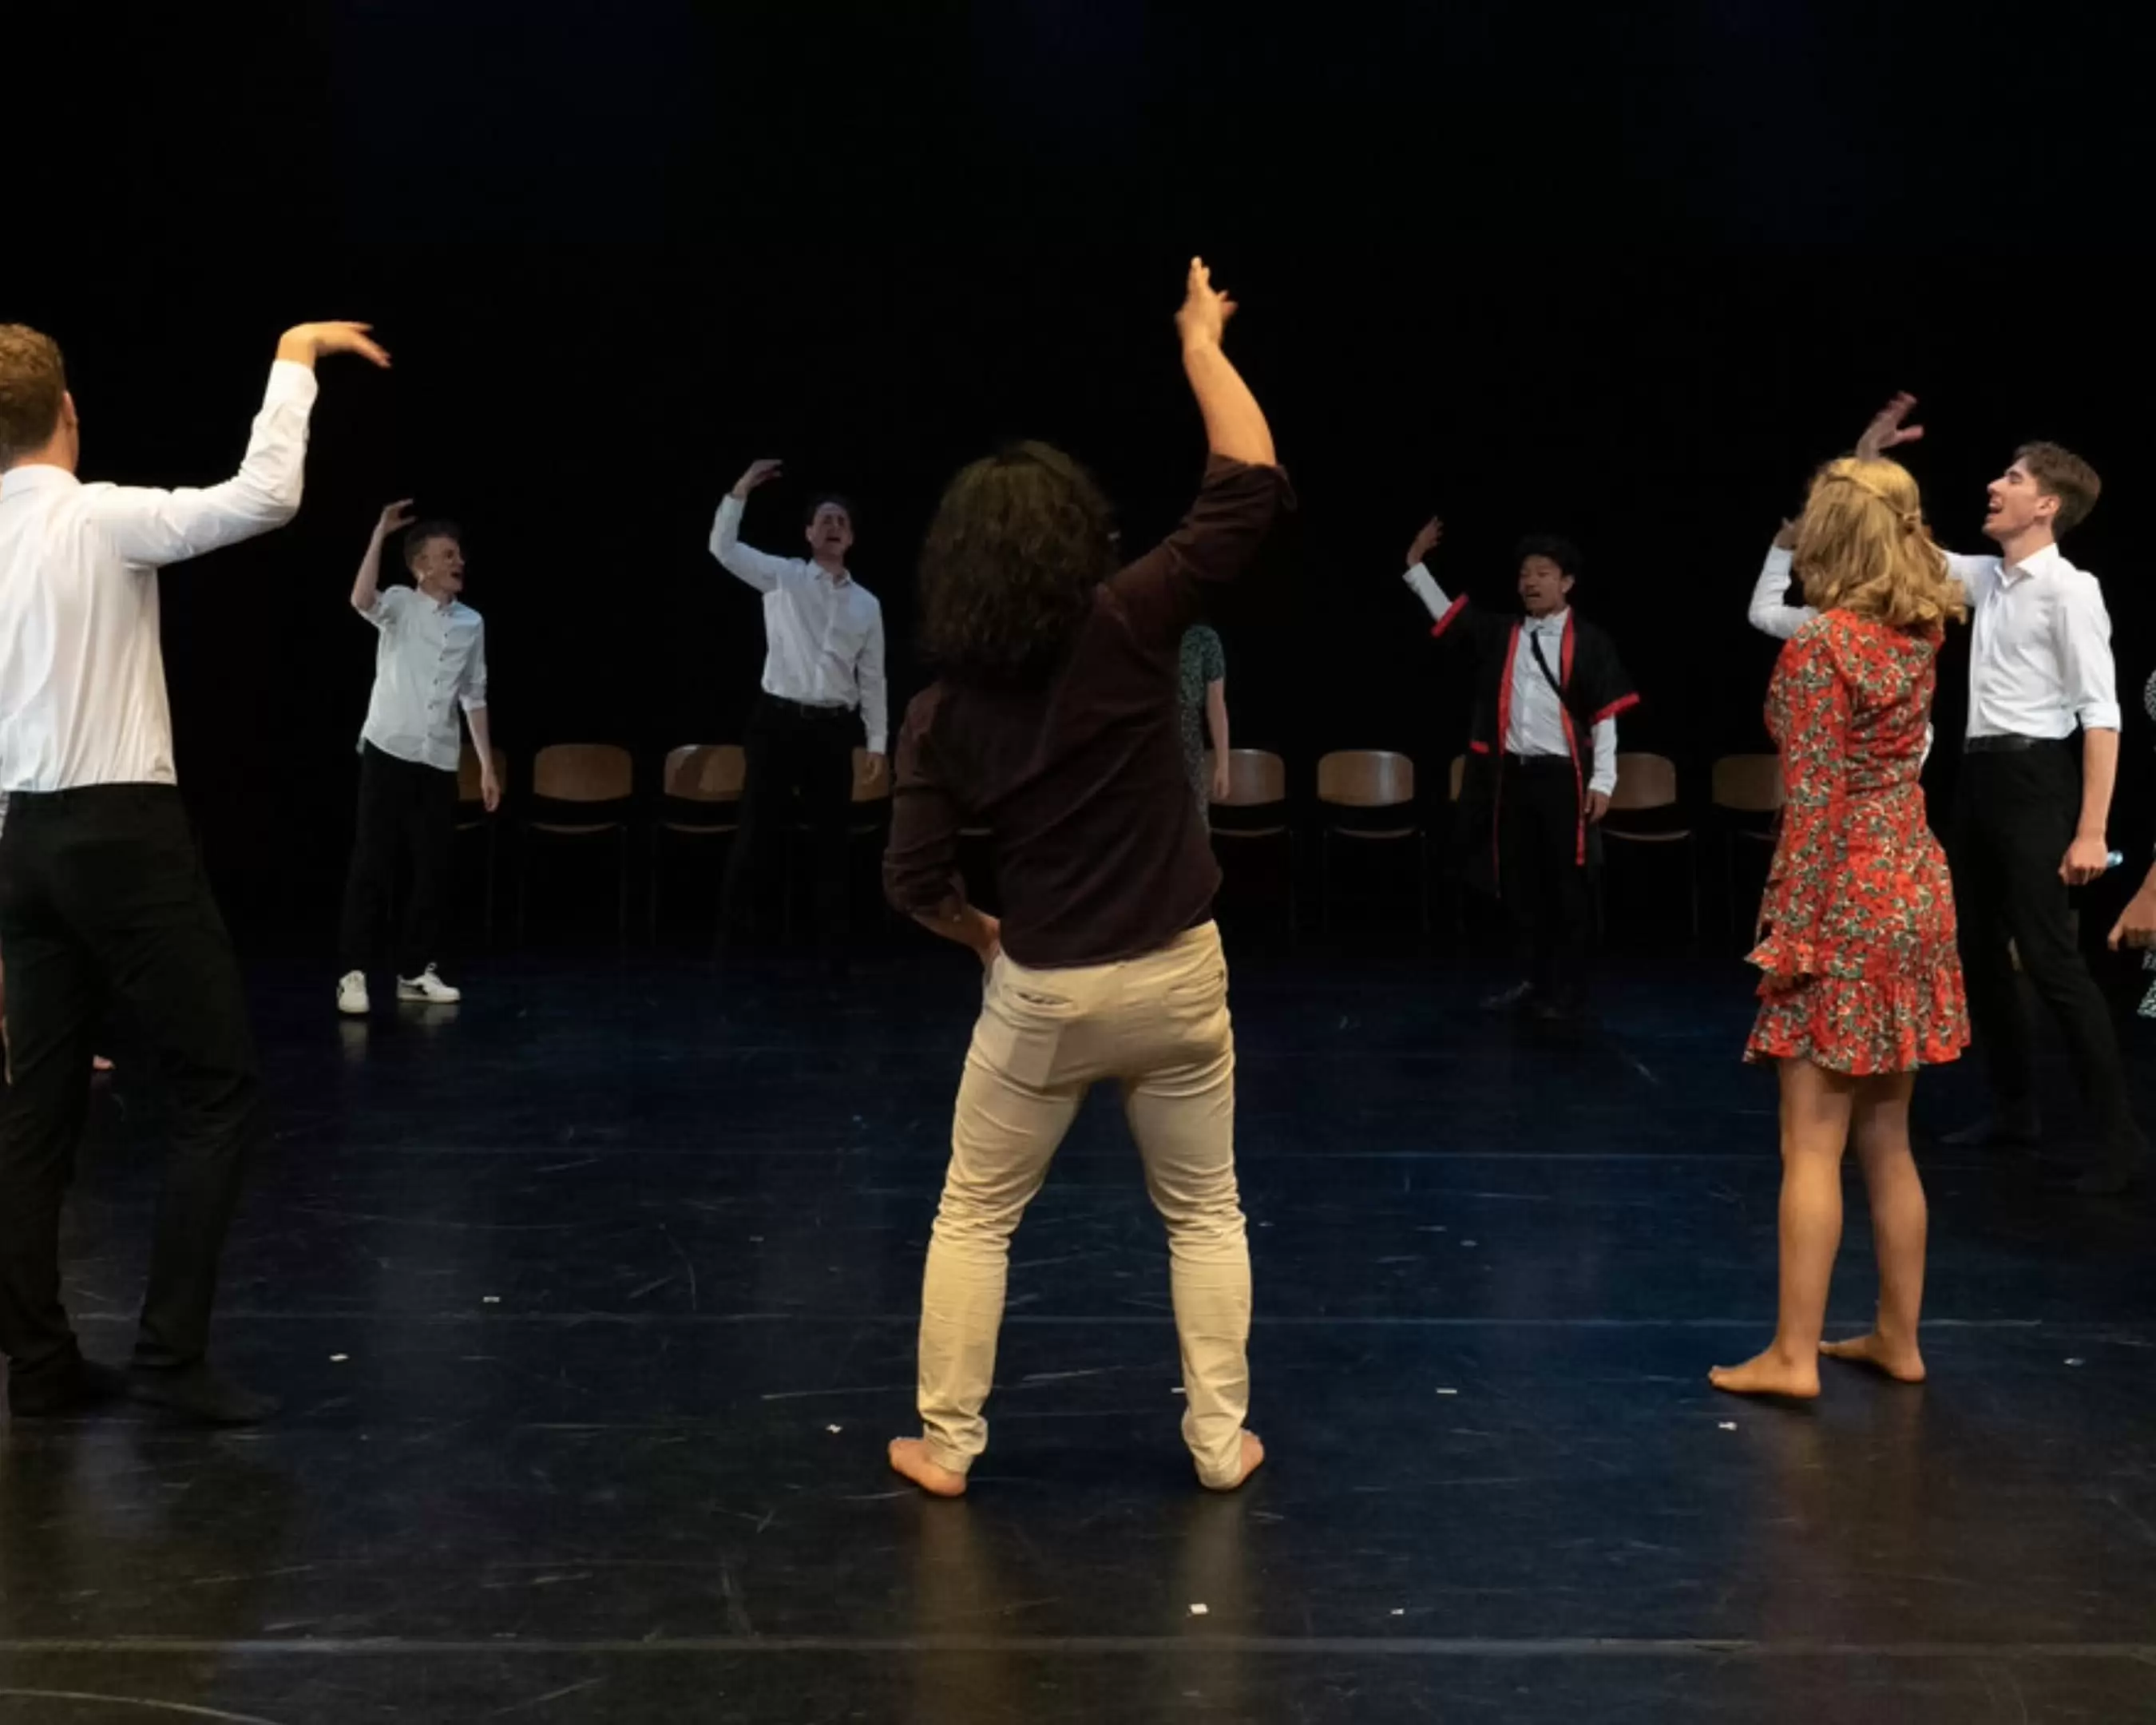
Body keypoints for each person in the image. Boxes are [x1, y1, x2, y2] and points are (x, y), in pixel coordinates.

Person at [880, 258, 1290, 1497]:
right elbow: (1248, 489)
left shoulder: (942, 715)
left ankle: (948, 1445)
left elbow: (911, 878)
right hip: (1177, 979)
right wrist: (1202, 345)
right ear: (1077, 539)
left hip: (1045, 996)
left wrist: (975, 931)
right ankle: (1220, 1445)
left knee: (974, 1216)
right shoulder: (1127, 624)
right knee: (1206, 1213)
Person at [0, 318, 390, 1423]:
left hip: (18, 842)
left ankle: (36, 1365)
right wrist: (292, 356)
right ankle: (169, 1358)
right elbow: (265, 495)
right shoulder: (99, 516)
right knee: (219, 1089)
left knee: (34, 1113)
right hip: (121, 834)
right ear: (67, 414)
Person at [1759, 395, 2142, 1195]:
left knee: (2050, 958)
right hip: (1977, 777)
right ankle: (2015, 1106)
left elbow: (2101, 715)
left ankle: (2120, 1139)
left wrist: (2089, 829)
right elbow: (1886, 529)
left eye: (2013, 477)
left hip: (2039, 777)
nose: (1995, 487)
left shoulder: (2070, 590)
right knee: (1976, 950)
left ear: (2048, 504)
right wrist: (1866, 448)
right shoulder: (1982, 577)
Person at [1710, 455, 1969, 1401]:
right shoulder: (1920, 631)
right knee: (1890, 1138)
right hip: (1912, 878)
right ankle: (1898, 1339)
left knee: (1810, 1144)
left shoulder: (1821, 651)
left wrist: (1792, 933)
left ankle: (1792, 1355)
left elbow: (1813, 805)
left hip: (1847, 891)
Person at [1399, 521, 1638, 1020]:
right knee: (1521, 884)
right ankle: (1532, 981)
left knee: (1567, 887)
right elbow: (1448, 617)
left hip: (1563, 782)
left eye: (1543, 573)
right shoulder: (1501, 633)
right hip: (1512, 779)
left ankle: (1569, 991)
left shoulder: (1590, 642)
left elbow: (1606, 715)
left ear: (1566, 582)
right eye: (1525, 574)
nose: (1530, 582)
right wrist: (1415, 566)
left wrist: (1604, 782)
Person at [708, 467, 888, 962]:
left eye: (841, 521)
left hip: (832, 730)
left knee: (832, 841)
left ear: (850, 538)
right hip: (777, 723)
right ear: (809, 533)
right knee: (756, 832)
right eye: (824, 519)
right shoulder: (783, 576)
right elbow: (723, 549)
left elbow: (873, 678)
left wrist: (876, 742)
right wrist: (740, 490)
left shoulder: (867, 605)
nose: (832, 525)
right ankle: (733, 946)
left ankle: (832, 951)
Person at [335, 502, 497, 1016]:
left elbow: (474, 694)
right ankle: (353, 973)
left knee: (432, 868)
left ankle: (414, 971)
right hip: (390, 749)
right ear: (422, 565)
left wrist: (488, 765)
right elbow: (361, 599)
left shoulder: (473, 622)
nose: (459, 562)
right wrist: (378, 533)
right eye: (447, 556)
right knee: (373, 863)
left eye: (459, 555)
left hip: (439, 759)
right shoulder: (401, 603)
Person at [1178, 625, 1233, 810]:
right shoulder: (1135, 633)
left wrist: (1223, 765)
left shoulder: (1202, 638)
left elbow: (1216, 705)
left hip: (1189, 755)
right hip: (1146, 751)